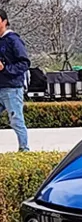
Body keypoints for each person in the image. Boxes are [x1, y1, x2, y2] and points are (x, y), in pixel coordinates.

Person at [0, 8, 31, 152]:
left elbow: (24, 63)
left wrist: (5, 69)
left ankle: (24, 149)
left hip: (11, 87)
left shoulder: (13, 40)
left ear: (4, 21)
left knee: (16, 120)